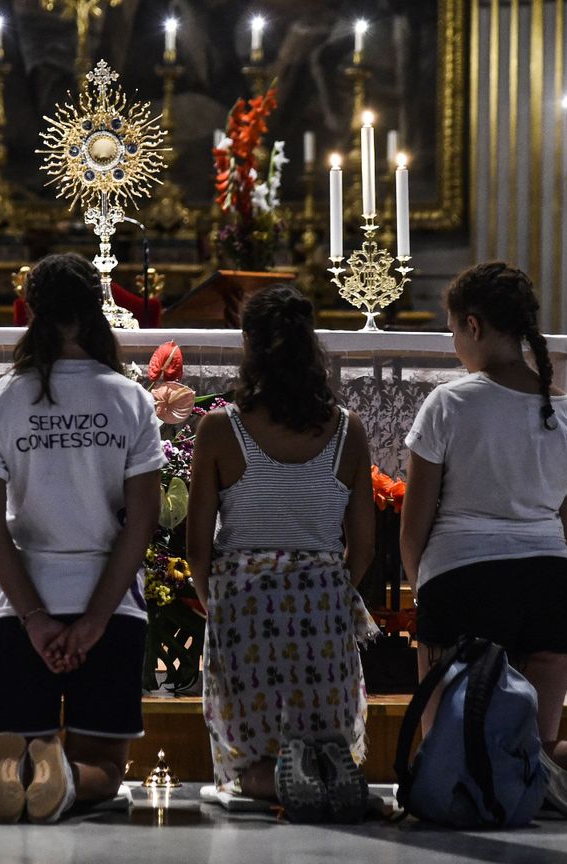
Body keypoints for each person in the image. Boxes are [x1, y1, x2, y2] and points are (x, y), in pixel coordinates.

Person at [398, 261, 567, 820]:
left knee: (447, 747)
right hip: (547, 589)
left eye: (453, 330)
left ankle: (500, 788)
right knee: (536, 741)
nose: (455, 344)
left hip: (463, 582)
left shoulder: (450, 404)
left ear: (474, 326)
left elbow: (414, 525)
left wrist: (421, 589)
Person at [0, 253, 164, 824]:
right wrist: (96, 620)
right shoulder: (129, 399)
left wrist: (34, 618)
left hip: (23, 606)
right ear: (100, 310)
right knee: (106, 767)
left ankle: (4, 772)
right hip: (110, 604)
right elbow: (142, 520)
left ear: (30, 311)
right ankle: (68, 777)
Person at [185, 284, 379, 821]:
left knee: (248, 747)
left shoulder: (222, 428)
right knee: (321, 731)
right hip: (320, 593)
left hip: (243, 597)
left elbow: (197, 545)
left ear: (250, 345)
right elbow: (363, 543)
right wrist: (330, 588)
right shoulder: (347, 430)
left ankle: (269, 781)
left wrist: (215, 601)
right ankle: (324, 770)